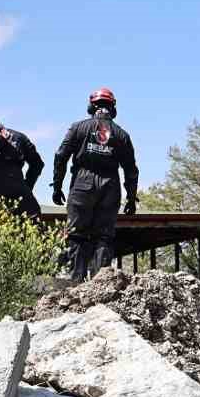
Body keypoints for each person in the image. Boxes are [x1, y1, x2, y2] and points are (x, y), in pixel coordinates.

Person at [51, 87, 138, 282]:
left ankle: (74, 285)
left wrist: (57, 186)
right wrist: (131, 198)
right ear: (112, 107)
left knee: (76, 235)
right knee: (104, 237)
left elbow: (60, 156)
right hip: (110, 186)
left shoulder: (78, 127)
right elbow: (131, 169)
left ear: (92, 105)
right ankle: (101, 286)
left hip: (82, 183)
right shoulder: (122, 135)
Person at [0, 118, 44, 217]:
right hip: (16, 185)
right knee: (32, 221)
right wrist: (27, 185)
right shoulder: (19, 136)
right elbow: (37, 164)